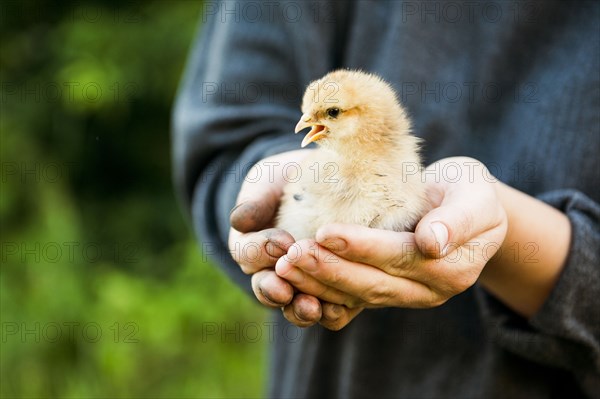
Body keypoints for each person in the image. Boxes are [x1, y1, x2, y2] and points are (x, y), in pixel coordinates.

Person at [172, 1, 599, 397]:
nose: (310, 124)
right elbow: (225, 139)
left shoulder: (395, 171)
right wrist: (261, 179)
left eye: (330, 114)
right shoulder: (322, 168)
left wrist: (509, 235)